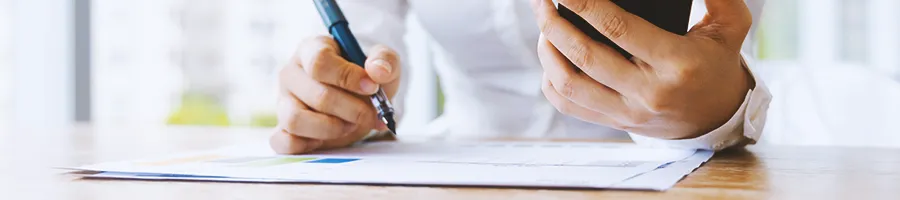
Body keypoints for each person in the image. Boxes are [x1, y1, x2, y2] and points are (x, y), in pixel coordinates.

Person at [270, 0, 772, 154]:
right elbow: (361, 39)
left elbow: (719, 43)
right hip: (459, 173)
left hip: (670, 171)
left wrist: (721, 110)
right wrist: (338, 97)